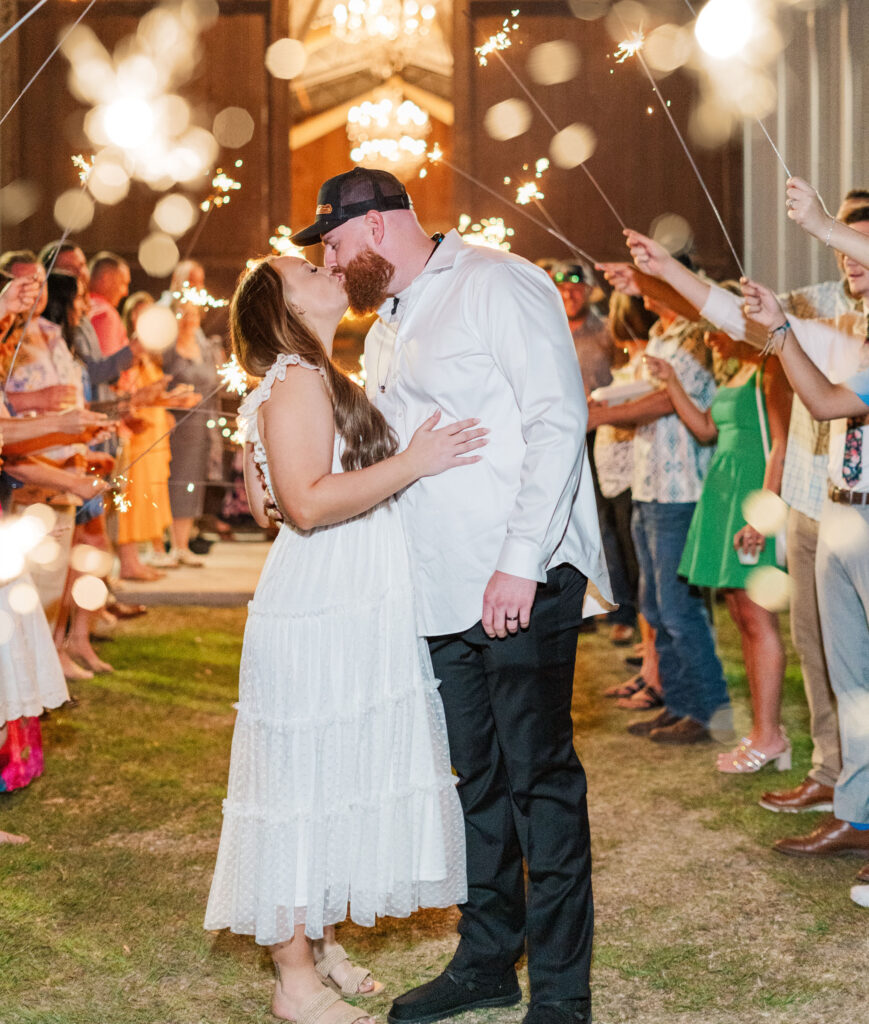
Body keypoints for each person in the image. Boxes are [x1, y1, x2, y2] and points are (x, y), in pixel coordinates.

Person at [291, 166, 612, 1024]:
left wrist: (519, 559)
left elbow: (556, 418)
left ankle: (561, 994)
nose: (329, 256)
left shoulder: (497, 282)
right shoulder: (384, 325)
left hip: (520, 575)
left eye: (332, 238)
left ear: (380, 223)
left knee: (539, 780)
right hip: (434, 588)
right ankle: (483, 960)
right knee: (474, 779)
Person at [205, 253, 477, 1023]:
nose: (331, 270)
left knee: (330, 780)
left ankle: (317, 945)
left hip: (347, 599)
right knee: (298, 788)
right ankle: (293, 980)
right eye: (308, 271)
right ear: (281, 305)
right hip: (320, 606)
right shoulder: (295, 377)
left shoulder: (310, 373)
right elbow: (306, 504)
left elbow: (265, 501)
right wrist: (415, 462)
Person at [625, 243, 793, 771]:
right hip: (721, 491)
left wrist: (763, 515)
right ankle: (765, 734)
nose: (712, 335)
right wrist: (673, 383)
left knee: (758, 617)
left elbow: (781, 445)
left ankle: (771, 736)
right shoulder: (729, 374)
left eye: (719, 325)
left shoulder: (772, 369)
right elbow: (703, 430)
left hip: (753, 497)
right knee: (741, 614)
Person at [739, 263, 869, 908]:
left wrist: (784, 331)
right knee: (852, 684)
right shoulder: (856, 335)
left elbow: (825, 402)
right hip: (842, 505)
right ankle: (859, 816)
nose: (852, 269)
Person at [591, 261, 731, 747]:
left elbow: (665, 403)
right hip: (649, 483)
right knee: (654, 603)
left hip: (681, 488)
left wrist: (594, 417)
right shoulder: (661, 336)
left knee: (677, 608)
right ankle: (676, 703)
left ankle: (708, 710)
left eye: (653, 282)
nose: (642, 293)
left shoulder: (695, 336)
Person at [161, 300, 218, 565]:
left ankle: (183, 544)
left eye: (193, 314)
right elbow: (159, 381)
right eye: (183, 314)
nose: (188, 318)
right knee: (172, 482)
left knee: (192, 483)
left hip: (200, 425)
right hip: (174, 424)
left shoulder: (204, 347)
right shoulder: (169, 348)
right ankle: (167, 543)